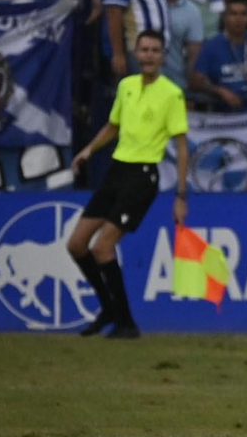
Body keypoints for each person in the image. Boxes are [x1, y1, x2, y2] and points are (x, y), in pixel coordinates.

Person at [68, 29, 190, 340]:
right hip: (116, 171)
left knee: (103, 247)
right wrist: (89, 150)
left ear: (163, 56)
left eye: (155, 51)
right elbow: (113, 126)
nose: (149, 56)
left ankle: (126, 322)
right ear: (136, 54)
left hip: (142, 176)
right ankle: (109, 308)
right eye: (144, 50)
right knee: (77, 244)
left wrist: (180, 195)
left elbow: (181, 146)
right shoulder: (126, 86)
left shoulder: (172, 94)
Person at [157, 0, 207, 89]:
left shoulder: (192, 11)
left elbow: (194, 55)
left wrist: (191, 87)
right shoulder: (147, 4)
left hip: (176, 84)